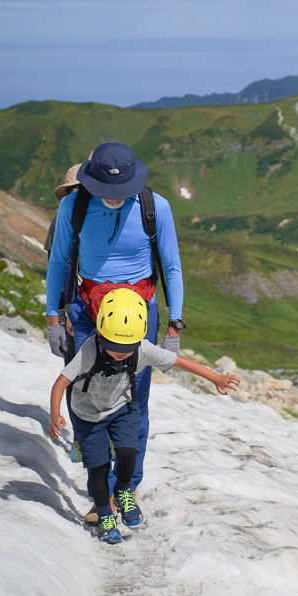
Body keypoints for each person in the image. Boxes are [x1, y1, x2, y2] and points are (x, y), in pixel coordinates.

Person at [45, 142, 184, 509]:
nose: (113, 199)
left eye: (120, 192)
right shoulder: (71, 206)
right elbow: (58, 262)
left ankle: (127, 486)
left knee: (132, 401)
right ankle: (101, 495)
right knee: (87, 396)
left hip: (140, 314)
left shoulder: (156, 207)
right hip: (89, 310)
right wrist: (53, 317)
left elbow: (172, 267)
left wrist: (174, 326)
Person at [49, 288, 240, 543]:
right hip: (88, 416)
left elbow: (180, 362)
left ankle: (123, 492)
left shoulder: (142, 348)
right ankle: (105, 515)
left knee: (129, 453)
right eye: (113, 347)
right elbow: (61, 382)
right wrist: (55, 414)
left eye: (126, 349)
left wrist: (216, 377)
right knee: (98, 469)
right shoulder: (89, 350)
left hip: (122, 409)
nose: (120, 353)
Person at [44, 163, 82, 461]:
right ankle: (83, 437)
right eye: (71, 192)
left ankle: (89, 437)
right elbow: (55, 270)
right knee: (75, 373)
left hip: (89, 308)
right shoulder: (61, 221)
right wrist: (55, 316)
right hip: (74, 310)